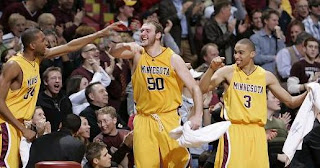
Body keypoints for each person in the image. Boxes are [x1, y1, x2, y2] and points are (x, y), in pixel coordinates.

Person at [0, 23, 120, 167]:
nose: (47, 43)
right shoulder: (14, 65)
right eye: (43, 40)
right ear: (32, 45)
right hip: (7, 125)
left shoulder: (36, 59)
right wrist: (23, 129)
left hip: (22, 125)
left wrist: (98, 34)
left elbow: (70, 46)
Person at [199, 38, 307, 168]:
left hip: (258, 132)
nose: (236, 56)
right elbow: (203, 88)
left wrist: (309, 91)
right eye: (235, 52)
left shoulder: (266, 76)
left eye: (240, 53)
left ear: (252, 54)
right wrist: (211, 69)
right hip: (234, 130)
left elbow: (291, 102)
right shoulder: (228, 72)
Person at [109, 20, 203, 167]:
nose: (143, 34)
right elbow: (114, 52)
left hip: (169, 118)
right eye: (141, 31)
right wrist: (121, 45)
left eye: (147, 31)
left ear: (158, 35)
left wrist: (198, 115)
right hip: (144, 118)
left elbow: (195, 88)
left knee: (178, 163)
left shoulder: (173, 58)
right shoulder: (137, 53)